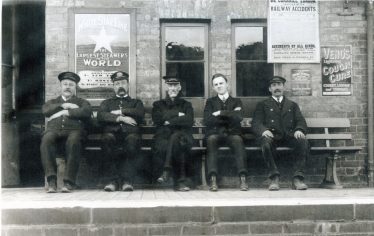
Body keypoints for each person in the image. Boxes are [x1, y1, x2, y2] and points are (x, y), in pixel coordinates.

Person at [252, 76, 309, 191]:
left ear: (283, 87)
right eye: (274, 85)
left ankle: (298, 178)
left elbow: (300, 120)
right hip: (272, 136)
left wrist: (299, 129)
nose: (277, 87)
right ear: (270, 89)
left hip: (289, 135)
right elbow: (256, 122)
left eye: (279, 84)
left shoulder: (292, 105)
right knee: (265, 144)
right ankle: (274, 178)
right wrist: (264, 130)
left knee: (303, 142)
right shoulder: (263, 104)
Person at [41, 71, 92, 193]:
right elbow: (46, 110)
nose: (68, 87)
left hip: (74, 130)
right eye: (65, 84)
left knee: (74, 140)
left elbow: (86, 112)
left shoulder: (81, 102)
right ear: (61, 86)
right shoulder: (53, 102)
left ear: (75, 88)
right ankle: (52, 181)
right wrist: (63, 106)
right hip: (54, 130)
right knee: (46, 140)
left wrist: (67, 112)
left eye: (71, 85)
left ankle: (69, 182)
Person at [97, 71, 145, 191]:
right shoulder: (106, 103)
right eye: (117, 84)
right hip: (112, 134)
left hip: (130, 134)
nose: (120, 86)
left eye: (123, 83)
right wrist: (120, 118)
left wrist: (119, 111)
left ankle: (127, 181)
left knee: (132, 140)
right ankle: (112, 181)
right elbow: (101, 116)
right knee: (107, 139)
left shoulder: (136, 102)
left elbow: (139, 113)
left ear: (128, 85)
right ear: (114, 87)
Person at [204, 73, 248, 191]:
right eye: (216, 84)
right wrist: (230, 114)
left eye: (221, 83)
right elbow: (207, 120)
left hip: (232, 134)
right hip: (215, 134)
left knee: (238, 140)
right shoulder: (210, 102)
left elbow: (239, 117)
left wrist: (219, 113)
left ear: (227, 84)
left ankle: (243, 178)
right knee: (211, 140)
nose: (219, 86)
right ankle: (213, 179)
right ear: (213, 88)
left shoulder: (236, 101)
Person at [152, 76, 194, 191]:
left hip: (183, 136)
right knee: (176, 144)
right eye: (170, 86)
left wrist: (168, 120)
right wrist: (178, 116)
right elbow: (158, 119)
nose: (173, 88)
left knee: (177, 139)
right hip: (163, 137)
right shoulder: (158, 104)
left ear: (179, 87)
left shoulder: (186, 104)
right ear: (167, 87)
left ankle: (166, 171)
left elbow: (189, 120)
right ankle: (180, 183)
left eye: (176, 85)